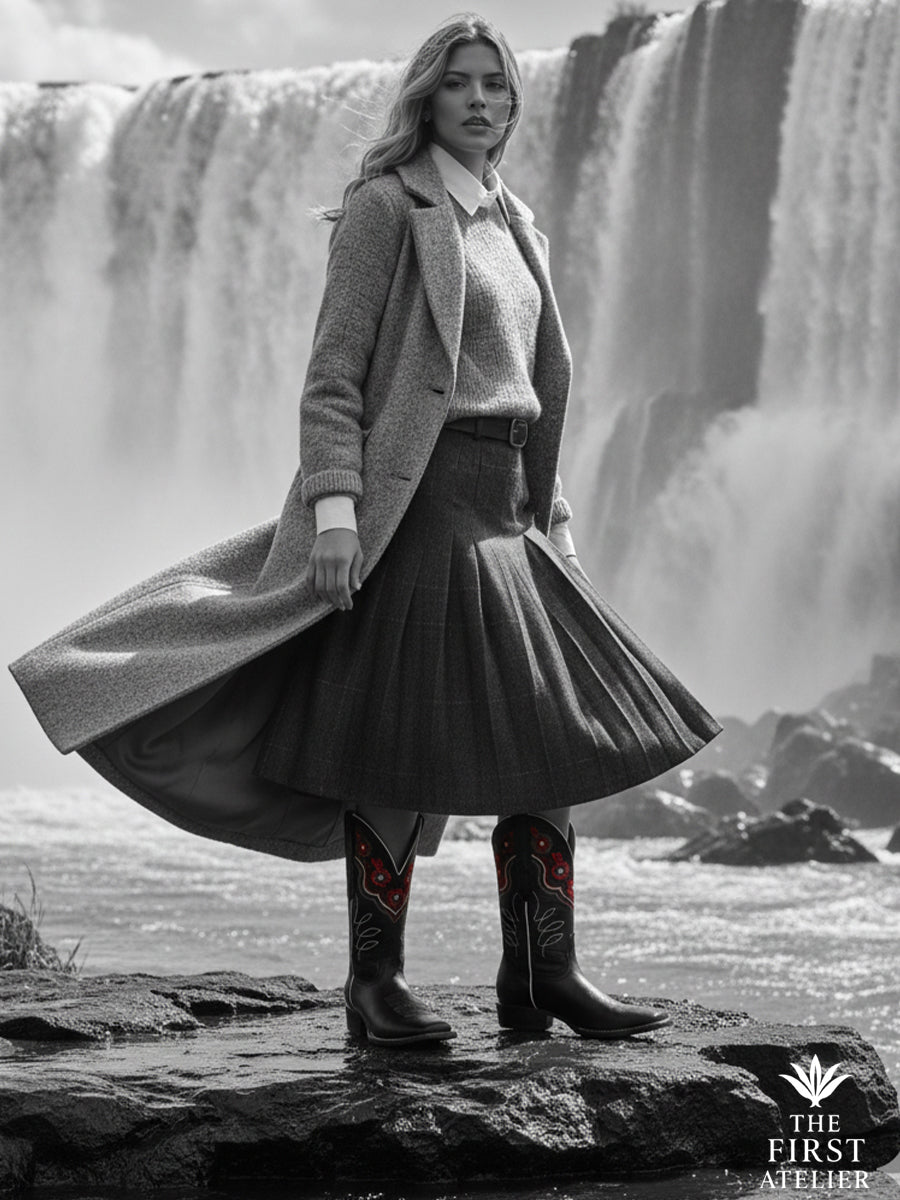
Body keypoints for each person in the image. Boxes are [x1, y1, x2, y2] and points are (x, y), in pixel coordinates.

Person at [9, 13, 721, 1049]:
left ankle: (542, 974)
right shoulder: (389, 206)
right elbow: (333, 379)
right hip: (416, 509)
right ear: (427, 96)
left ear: (514, 103)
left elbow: (533, 401)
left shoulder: (518, 224)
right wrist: (336, 513)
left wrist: (556, 529)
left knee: (550, 739)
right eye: (460, 82)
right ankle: (375, 985)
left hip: (506, 514)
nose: (480, 99)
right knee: (397, 743)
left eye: (495, 84)